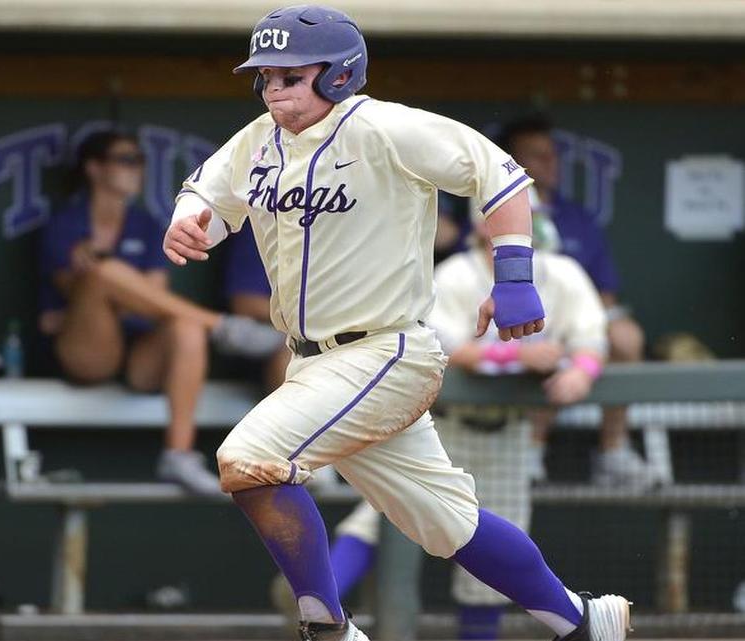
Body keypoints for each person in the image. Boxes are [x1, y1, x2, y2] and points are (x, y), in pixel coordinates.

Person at [163, 6, 630, 641]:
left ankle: (327, 625)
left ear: (338, 74)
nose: (275, 90)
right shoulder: (258, 140)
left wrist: (514, 273)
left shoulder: (383, 127)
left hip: (383, 349)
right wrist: (189, 219)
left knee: (250, 459)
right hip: (312, 360)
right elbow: (210, 195)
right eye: (266, 77)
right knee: (448, 523)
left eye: (292, 76)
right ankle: (582, 621)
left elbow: (498, 172)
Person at [327, 205, 609, 640]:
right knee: (381, 516)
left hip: (512, 432)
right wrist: (514, 354)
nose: (525, 222)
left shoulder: (563, 273)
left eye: (533, 214)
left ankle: (320, 604)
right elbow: (443, 345)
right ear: (482, 225)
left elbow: (592, 336)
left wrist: (581, 371)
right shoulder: (454, 273)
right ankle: (320, 603)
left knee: (489, 569)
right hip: (445, 427)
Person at [39, 130, 284, 495]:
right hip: (88, 353)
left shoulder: (146, 224)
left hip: (140, 353)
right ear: (94, 169)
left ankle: (178, 455)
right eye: (125, 160)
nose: (136, 168)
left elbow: (153, 297)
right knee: (101, 274)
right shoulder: (66, 224)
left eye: (140, 160)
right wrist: (111, 286)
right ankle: (220, 326)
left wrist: (122, 293)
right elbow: (75, 291)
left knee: (185, 326)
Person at [498, 116, 652, 488]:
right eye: (538, 156)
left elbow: (606, 295)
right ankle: (530, 452)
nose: (552, 163)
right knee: (542, 336)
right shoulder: (494, 208)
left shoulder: (575, 217)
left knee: (625, 336)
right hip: (518, 327)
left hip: (576, 325)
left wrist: (587, 328)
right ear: (512, 162)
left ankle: (613, 452)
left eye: (553, 155)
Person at [222, 223, 291, 390]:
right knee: (295, 348)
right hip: (268, 329)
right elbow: (246, 303)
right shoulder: (266, 222)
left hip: (340, 333)